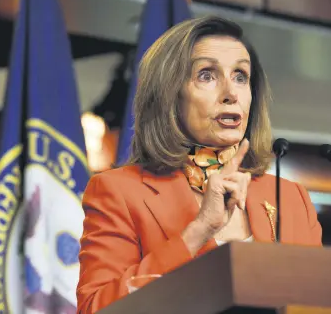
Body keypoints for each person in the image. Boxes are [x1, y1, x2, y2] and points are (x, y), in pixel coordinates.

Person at [75, 16, 323, 313]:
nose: (231, 94)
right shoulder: (118, 191)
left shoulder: (291, 198)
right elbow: (96, 309)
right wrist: (200, 229)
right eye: (207, 75)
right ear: (169, 95)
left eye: (241, 76)